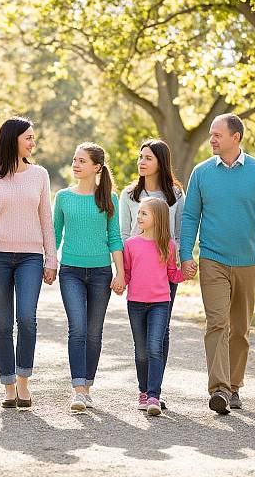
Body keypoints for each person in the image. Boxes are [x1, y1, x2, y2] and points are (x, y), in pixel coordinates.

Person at [180, 113, 255, 414]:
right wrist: (187, 254)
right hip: (212, 259)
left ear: (235, 137)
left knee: (240, 329)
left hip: (248, 262)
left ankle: (235, 387)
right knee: (217, 324)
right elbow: (190, 217)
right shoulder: (201, 173)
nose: (211, 139)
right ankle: (220, 389)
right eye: (211, 134)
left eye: (217, 135)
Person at [0, 116, 57, 408]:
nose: (33, 143)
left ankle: (23, 381)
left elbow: (46, 219)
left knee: (27, 319)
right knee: (3, 323)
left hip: (30, 257)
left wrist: (51, 259)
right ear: (13, 140)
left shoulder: (40, 175)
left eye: (33, 138)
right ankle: (8, 385)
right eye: (29, 138)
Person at [53, 142, 125, 413]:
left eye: (82, 161)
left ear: (96, 167)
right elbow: (54, 233)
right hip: (70, 271)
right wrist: (50, 263)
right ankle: (78, 389)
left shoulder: (109, 198)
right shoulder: (63, 197)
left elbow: (114, 237)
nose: (75, 164)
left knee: (94, 332)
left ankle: (88, 385)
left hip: (100, 273)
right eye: (74, 159)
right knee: (78, 328)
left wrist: (120, 273)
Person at [119, 139, 185, 409]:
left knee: (160, 332)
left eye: (148, 157)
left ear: (161, 162)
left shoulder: (176, 195)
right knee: (144, 342)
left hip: (164, 269)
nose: (141, 162)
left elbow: (179, 232)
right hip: (138, 270)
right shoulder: (129, 194)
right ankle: (146, 389)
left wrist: (175, 259)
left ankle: (154, 391)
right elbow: (124, 234)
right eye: (140, 157)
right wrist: (124, 273)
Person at [124, 197, 189, 416]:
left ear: (158, 219)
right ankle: (143, 392)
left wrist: (185, 275)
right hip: (135, 303)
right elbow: (127, 273)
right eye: (139, 212)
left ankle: (154, 395)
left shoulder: (168, 246)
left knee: (154, 347)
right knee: (141, 351)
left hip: (160, 303)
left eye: (144, 213)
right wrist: (118, 282)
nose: (139, 217)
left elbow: (172, 274)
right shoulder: (131, 244)